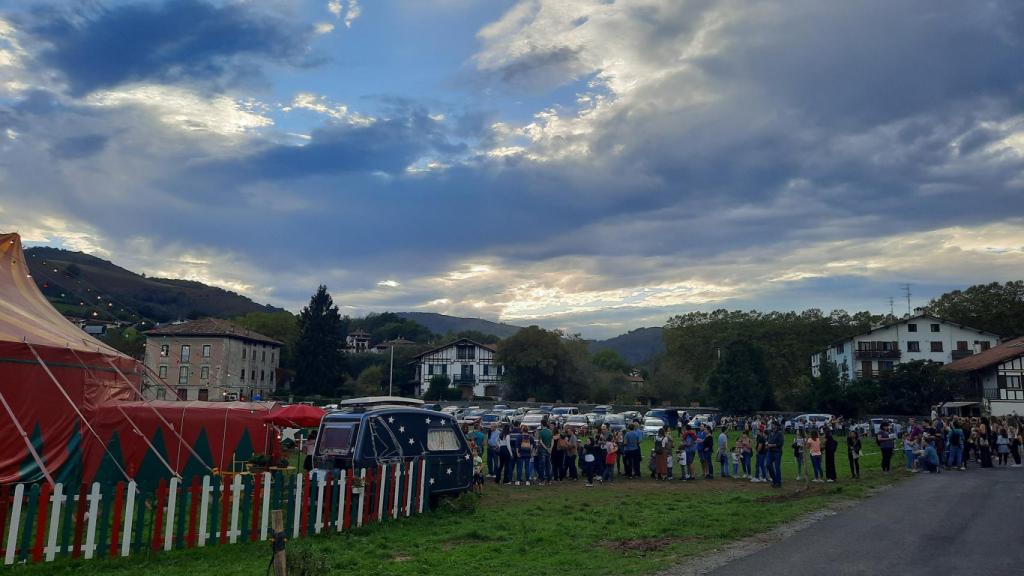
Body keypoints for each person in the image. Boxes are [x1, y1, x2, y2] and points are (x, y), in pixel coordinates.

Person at [767, 422, 784, 487]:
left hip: (777, 452)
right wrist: (767, 444)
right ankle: (774, 480)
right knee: (768, 465)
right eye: (771, 425)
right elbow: (768, 440)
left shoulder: (780, 433)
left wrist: (772, 445)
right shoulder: (771, 433)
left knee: (777, 467)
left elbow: (781, 443)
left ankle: (778, 482)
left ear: (776, 426)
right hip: (770, 451)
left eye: (773, 425)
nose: (771, 426)